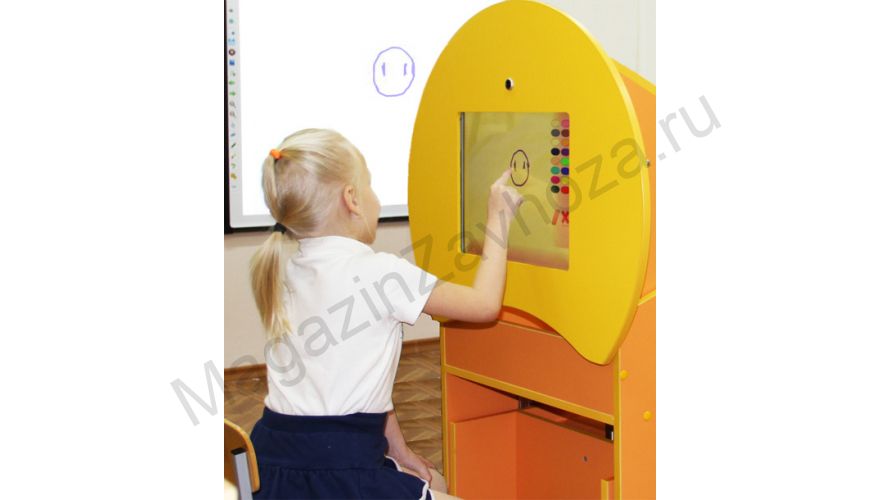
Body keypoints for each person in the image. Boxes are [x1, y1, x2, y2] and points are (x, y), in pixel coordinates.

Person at [248, 128, 522, 499]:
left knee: (434, 481)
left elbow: (363, 386)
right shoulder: (382, 272)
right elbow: (485, 305)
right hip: (341, 474)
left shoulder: (283, 271)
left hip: (272, 466)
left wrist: (400, 451)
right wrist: (499, 218)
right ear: (352, 199)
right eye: (370, 186)